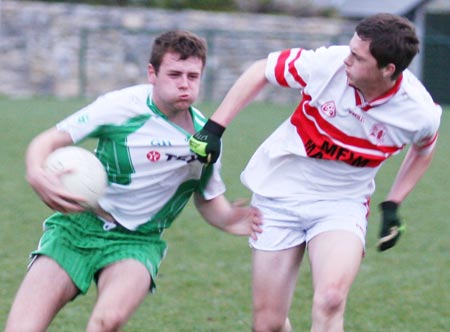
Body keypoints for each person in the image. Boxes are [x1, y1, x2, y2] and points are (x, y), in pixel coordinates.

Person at [189, 13, 442, 332]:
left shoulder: (418, 112)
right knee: (267, 324)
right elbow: (261, 70)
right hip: (279, 193)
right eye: (350, 49)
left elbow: (423, 150)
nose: (346, 59)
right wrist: (214, 128)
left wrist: (393, 203)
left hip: (341, 203)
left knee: (331, 299)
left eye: (357, 56)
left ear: (387, 69)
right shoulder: (327, 64)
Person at [5, 30, 262, 332]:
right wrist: (35, 171)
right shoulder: (120, 106)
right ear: (152, 73)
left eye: (193, 76)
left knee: (107, 321)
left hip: (138, 241)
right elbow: (48, 140)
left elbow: (206, 198)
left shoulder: (205, 138)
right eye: (175, 74)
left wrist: (231, 218)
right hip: (77, 227)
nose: (184, 83)